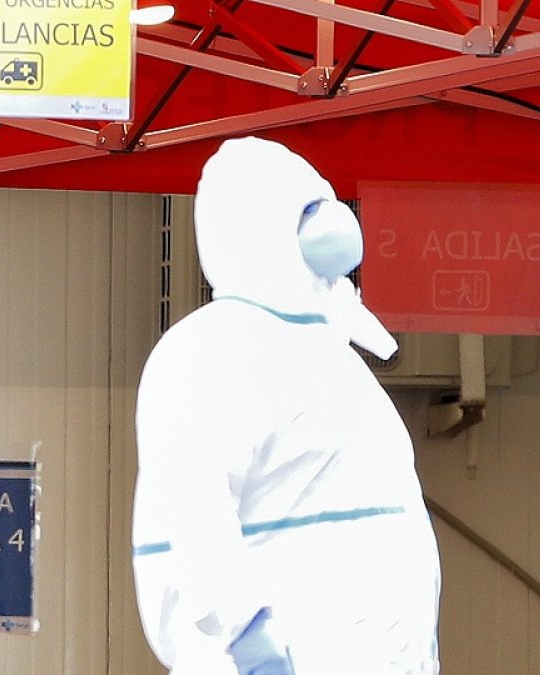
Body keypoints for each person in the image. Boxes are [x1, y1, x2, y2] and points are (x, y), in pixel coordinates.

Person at [131, 136, 441, 674]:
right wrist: (247, 636)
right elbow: (193, 507)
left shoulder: (332, 355)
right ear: (257, 226)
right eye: (308, 210)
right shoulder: (212, 348)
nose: (333, 223)